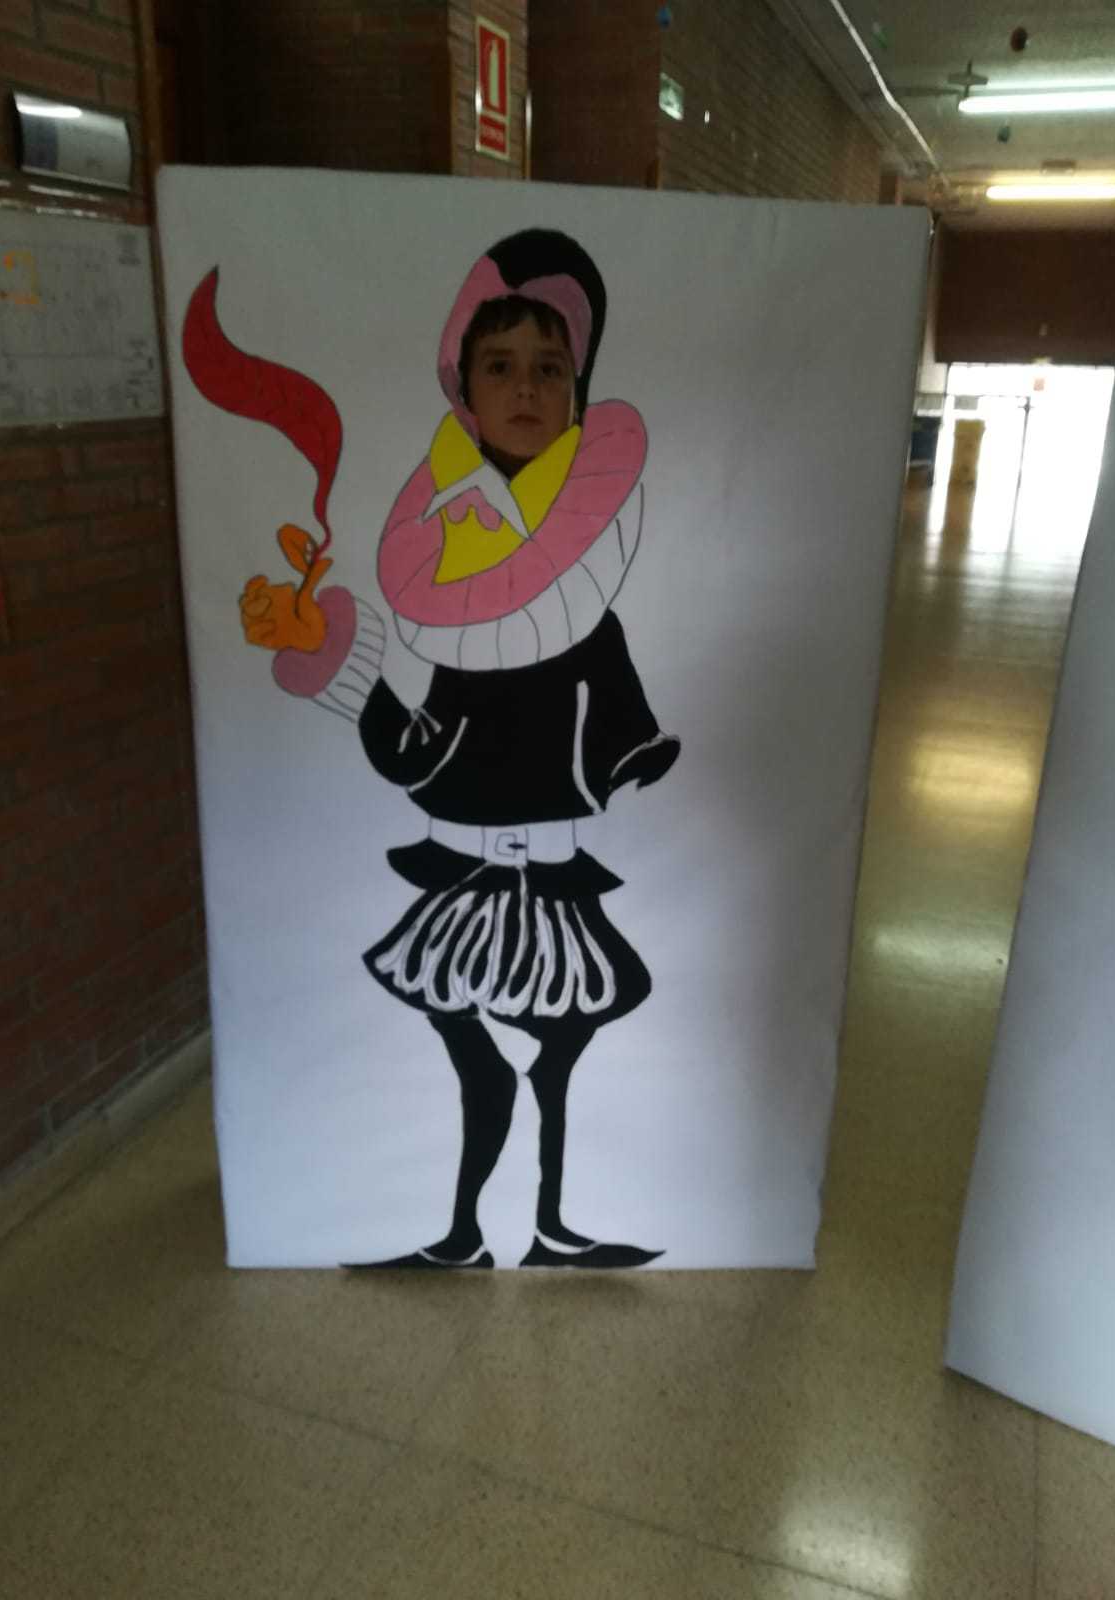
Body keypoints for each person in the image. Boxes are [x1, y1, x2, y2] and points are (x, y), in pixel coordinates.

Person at [239, 228, 679, 1268]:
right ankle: (467, 1234)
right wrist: (336, 658)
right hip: (472, 869)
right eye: (501, 366)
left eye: (549, 368)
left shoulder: (590, 611)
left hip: (549, 874)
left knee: (559, 1049)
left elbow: (622, 731)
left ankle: (544, 1226)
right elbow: (420, 754)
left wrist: (629, 755)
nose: (525, 388)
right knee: (490, 1049)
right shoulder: (458, 596)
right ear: (465, 391)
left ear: (577, 392)